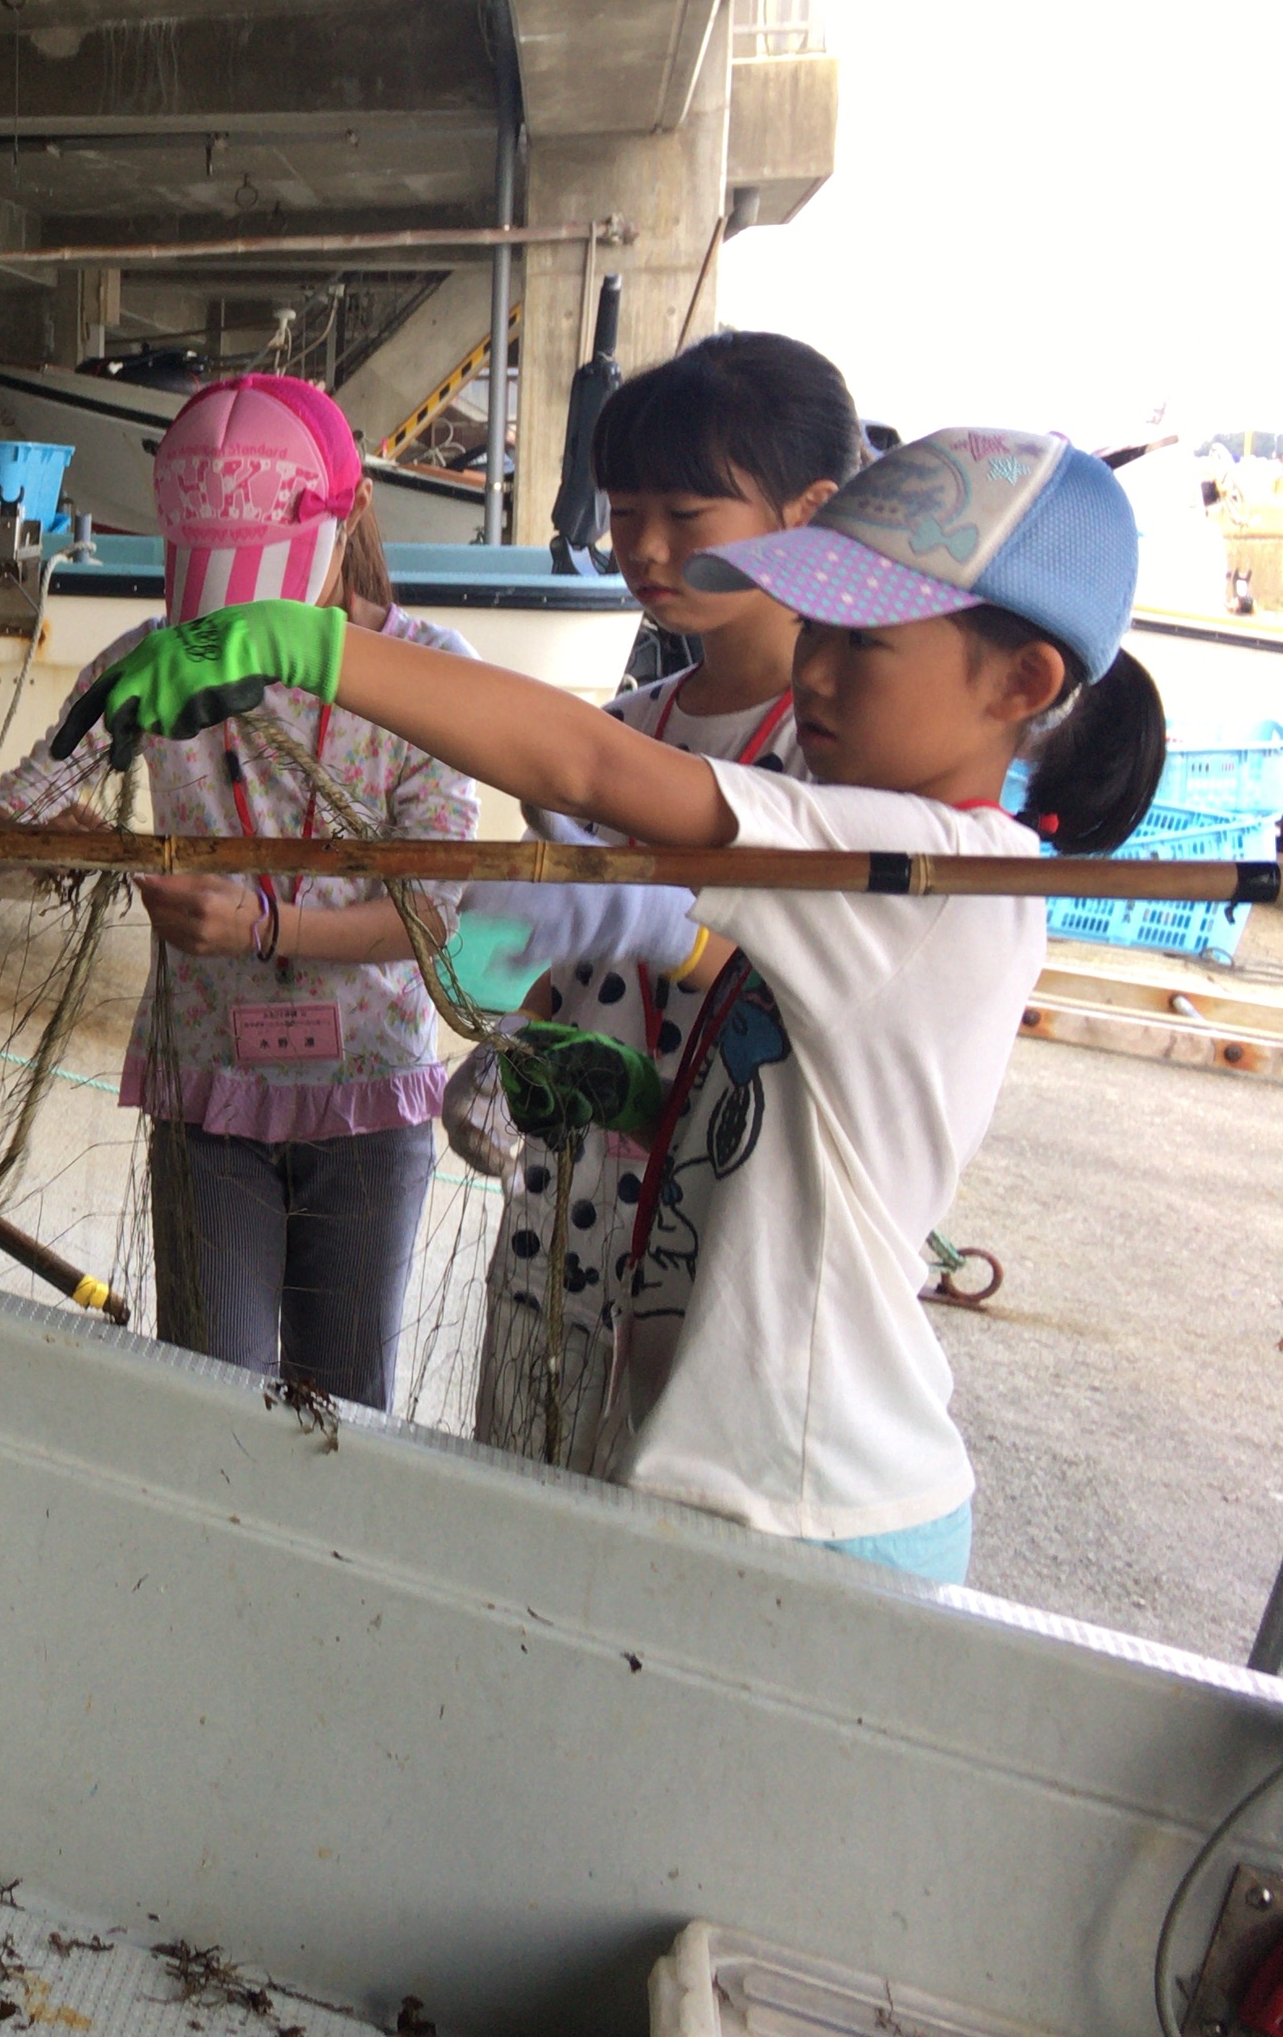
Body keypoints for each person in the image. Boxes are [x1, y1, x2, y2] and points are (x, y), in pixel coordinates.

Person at [59, 427, 1167, 1583]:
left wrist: (304, 642)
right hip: (758, 1477)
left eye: (868, 645)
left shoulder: (918, 860)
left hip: (806, 1504)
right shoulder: (873, 872)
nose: (817, 674)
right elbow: (794, 1108)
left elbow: (589, 768)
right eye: (818, 632)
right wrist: (647, 1100)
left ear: (1021, 684)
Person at [0, 374, 478, 1409]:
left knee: (349, 1407)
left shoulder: (429, 673)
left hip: (368, 1097)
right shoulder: (154, 665)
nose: (240, 607)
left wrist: (262, 925)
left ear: (349, 520)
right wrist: (71, 844)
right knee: (208, 1394)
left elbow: (431, 918)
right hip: (208, 1096)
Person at [466, 331, 860, 1469]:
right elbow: (561, 961)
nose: (642, 547)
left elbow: (807, 999)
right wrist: (504, 1034)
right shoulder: (627, 728)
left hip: (723, 1240)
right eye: (623, 509)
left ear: (808, 510)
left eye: (687, 518)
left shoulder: (832, 763)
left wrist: (650, 924)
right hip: (565, 1224)